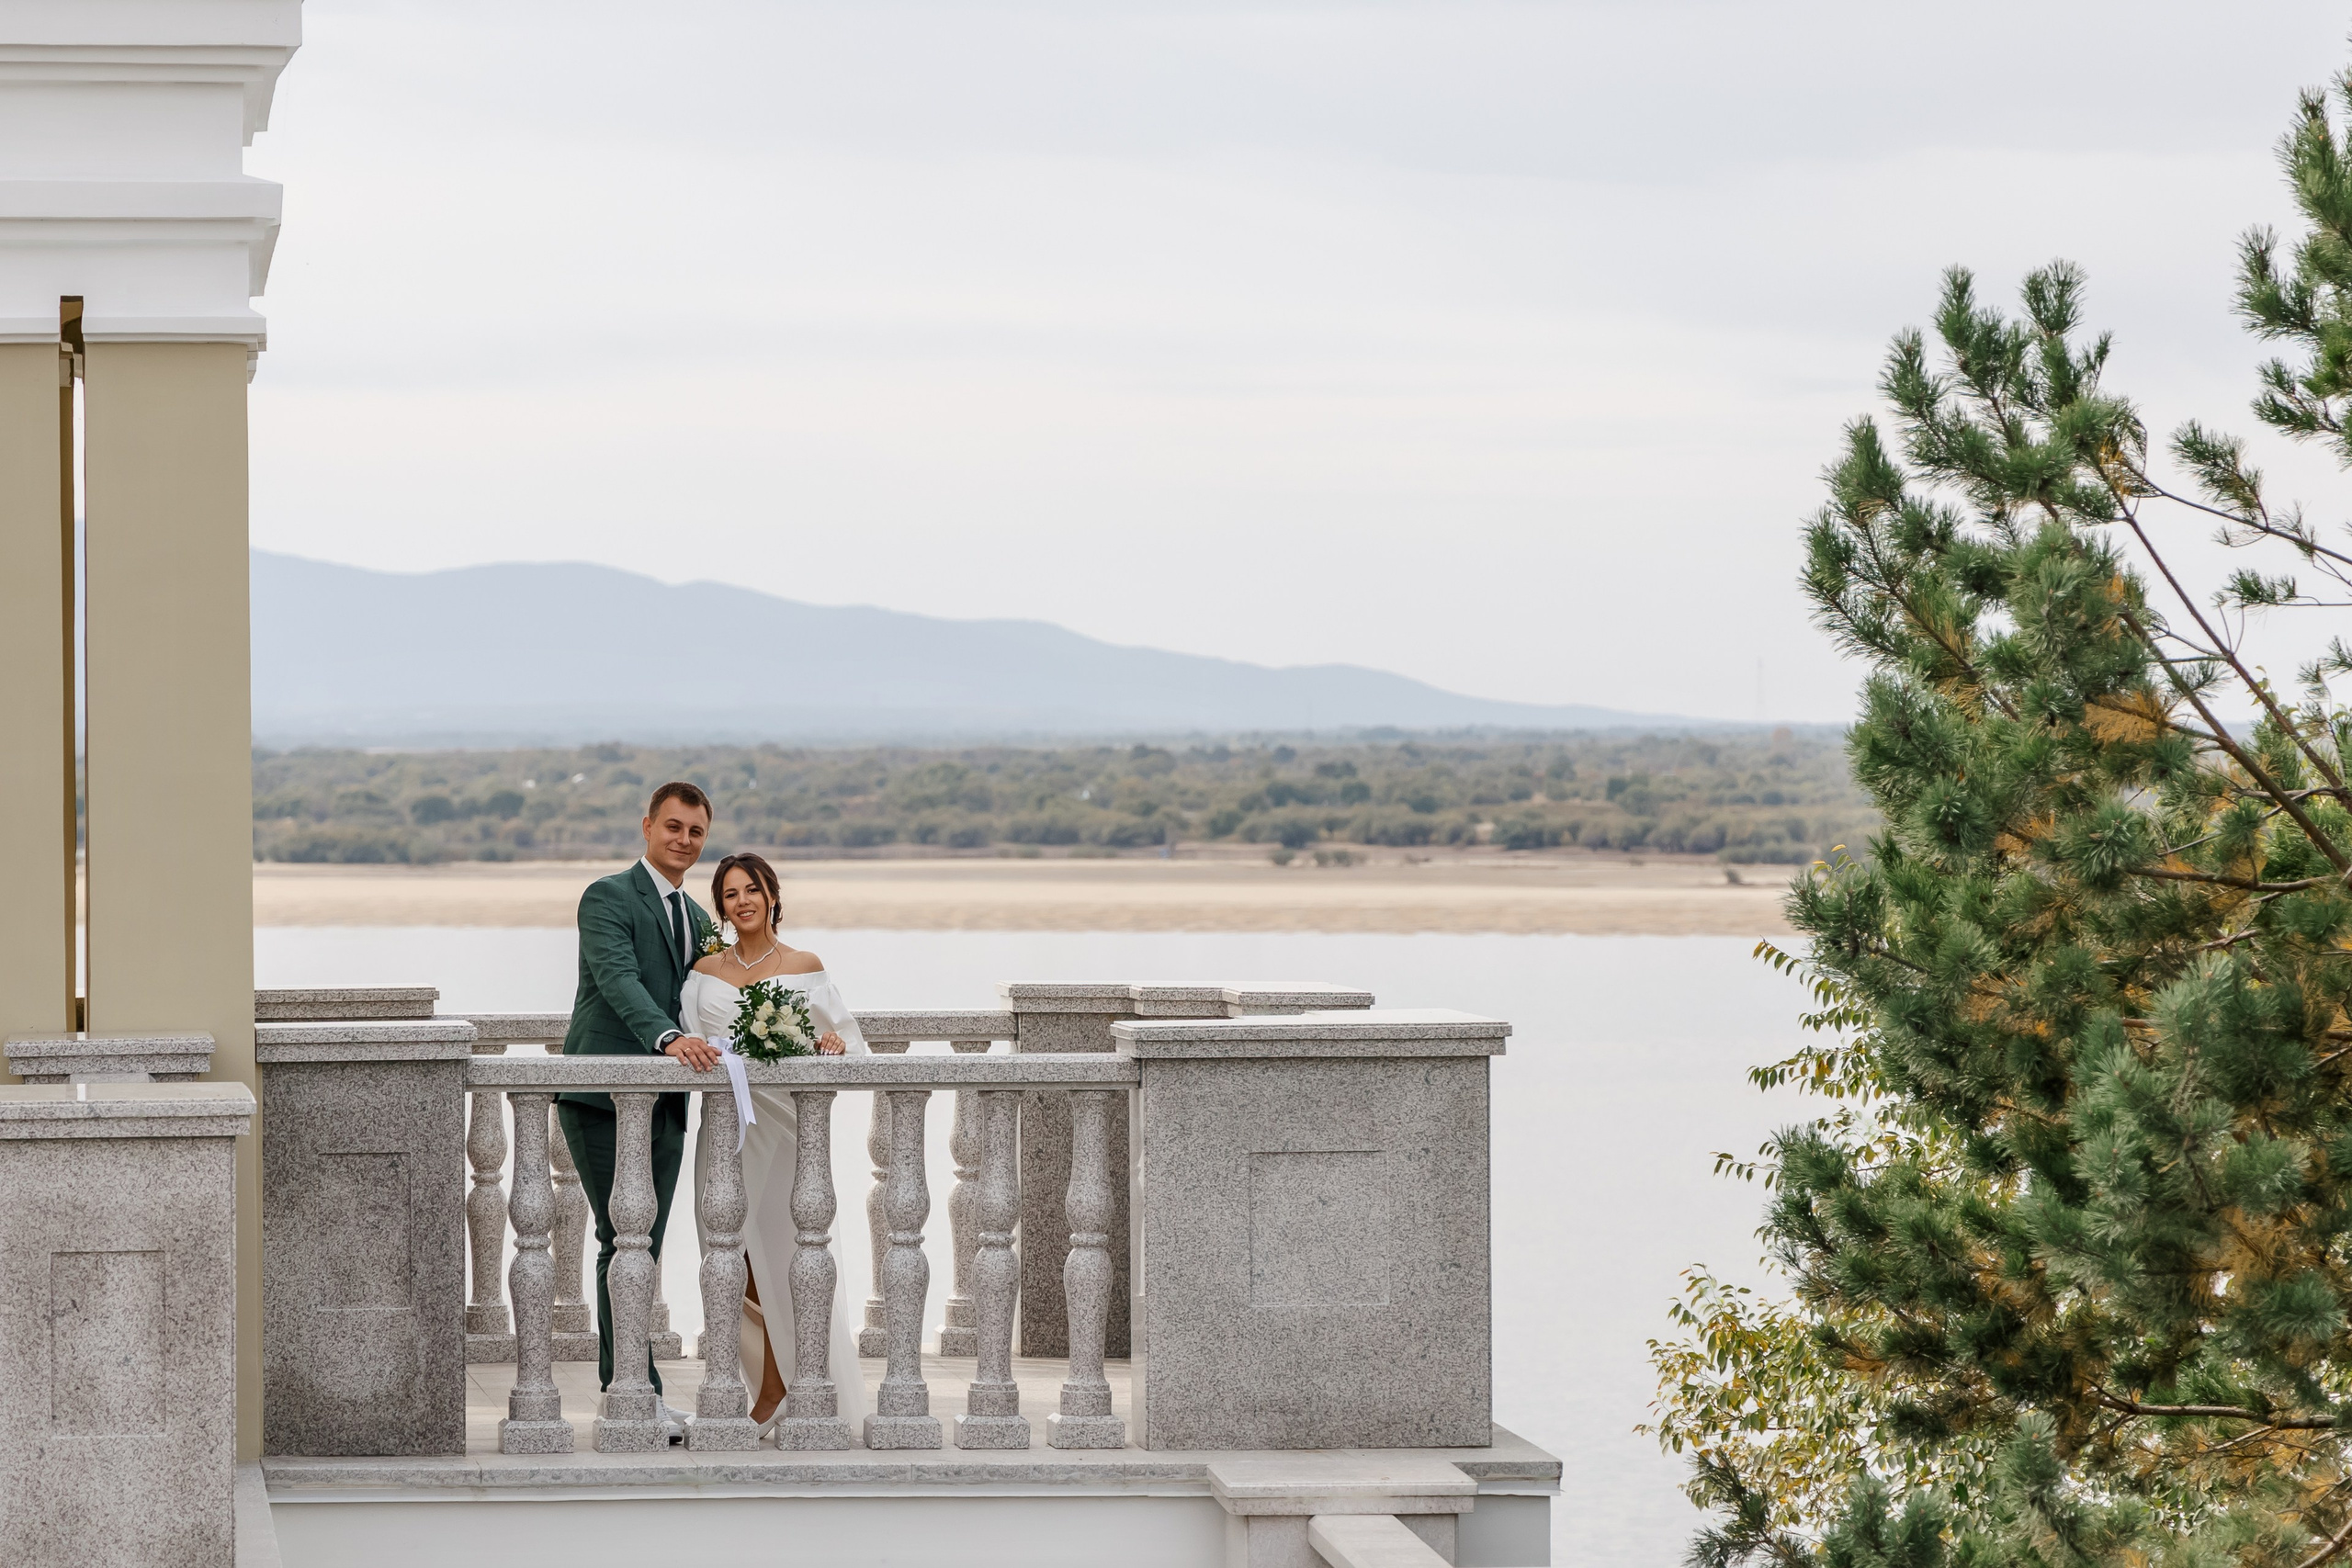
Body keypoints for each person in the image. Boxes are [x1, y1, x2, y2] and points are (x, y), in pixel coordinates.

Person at [684, 852, 870, 1437]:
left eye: (752, 890)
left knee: (785, 1254)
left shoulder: (804, 964)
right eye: (731, 893)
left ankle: (778, 1388)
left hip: (784, 1127)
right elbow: (689, 1041)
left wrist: (832, 1046)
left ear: (772, 896)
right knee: (727, 1254)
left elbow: (845, 1039)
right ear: (721, 906)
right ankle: (758, 1377)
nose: (743, 901)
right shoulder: (703, 974)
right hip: (726, 1127)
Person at [556, 780, 719, 1441]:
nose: (684, 840)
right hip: (602, 1094)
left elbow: (717, 997)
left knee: (643, 1245)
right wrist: (668, 1038)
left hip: (668, 1103)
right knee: (617, 1236)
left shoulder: (701, 918)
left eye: (696, 832)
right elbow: (619, 978)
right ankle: (628, 1386)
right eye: (674, 826)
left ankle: (639, 1384)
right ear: (647, 825)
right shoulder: (607, 896)